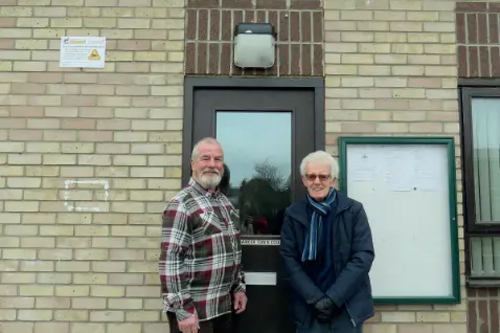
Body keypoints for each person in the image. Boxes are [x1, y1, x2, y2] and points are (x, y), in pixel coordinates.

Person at [280, 151, 375, 333]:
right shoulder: (293, 214)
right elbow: (288, 260)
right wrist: (316, 299)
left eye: (323, 176)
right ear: (304, 179)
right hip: (309, 309)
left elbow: (363, 257)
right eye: (311, 176)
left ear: (333, 180)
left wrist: (333, 299)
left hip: (347, 307)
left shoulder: (353, 210)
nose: (317, 182)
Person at [159, 137, 247, 333]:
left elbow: (234, 250)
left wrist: (239, 287)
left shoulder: (225, 204)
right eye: (205, 158)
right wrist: (183, 310)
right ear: (193, 164)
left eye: (218, 159)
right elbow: (170, 261)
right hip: (195, 315)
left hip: (223, 309)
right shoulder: (181, 204)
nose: (212, 165)